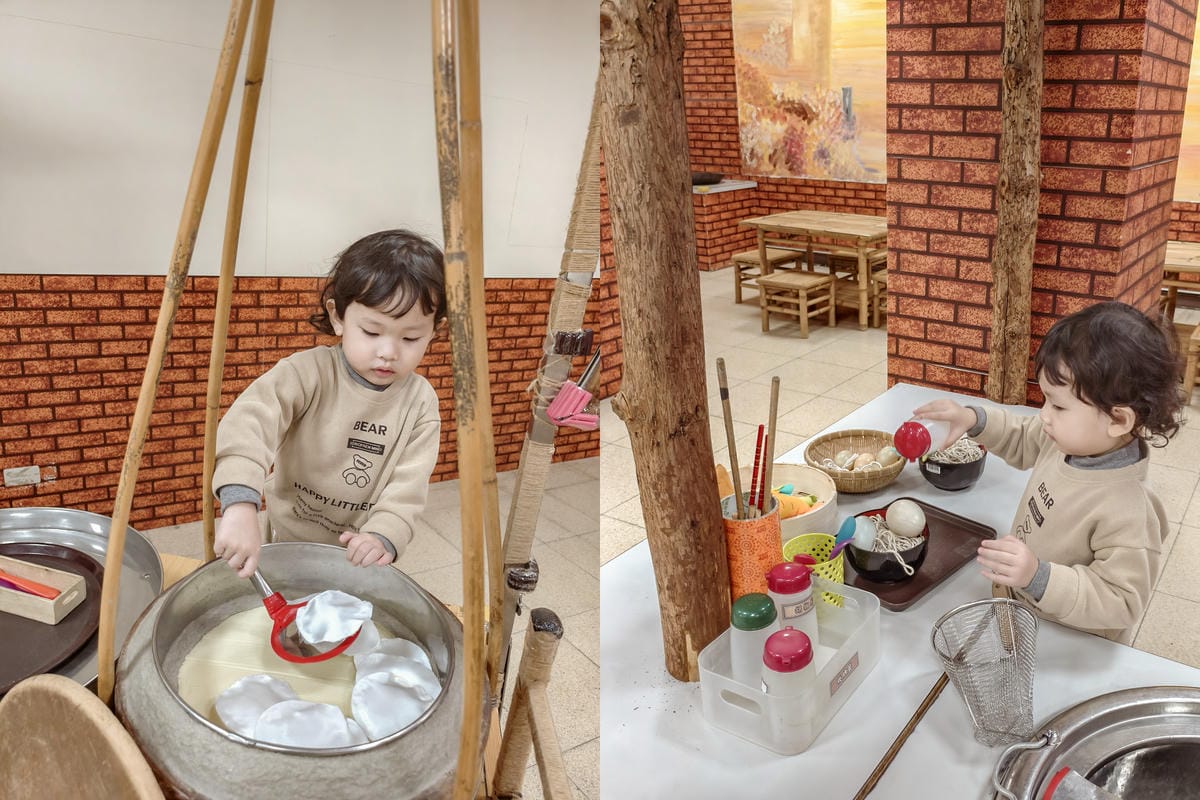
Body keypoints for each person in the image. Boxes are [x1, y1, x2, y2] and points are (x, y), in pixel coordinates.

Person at [913, 301, 1182, 644]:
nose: (1044, 415)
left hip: (1070, 641)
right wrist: (973, 419)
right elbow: (1022, 436)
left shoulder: (1130, 509)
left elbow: (1121, 600)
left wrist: (1038, 577)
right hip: (1022, 605)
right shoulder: (1069, 442)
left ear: (1118, 420)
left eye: (1058, 405)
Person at [212, 229, 446, 578]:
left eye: (411, 337)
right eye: (371, 332)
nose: (388, 352)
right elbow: (250, 423)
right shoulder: (307, 373)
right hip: (288, 534)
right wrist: (240, 503)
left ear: (434, 331)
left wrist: (385, 534)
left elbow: (408, 487)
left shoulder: (420, 403)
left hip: (357, 549)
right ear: (338, 317)